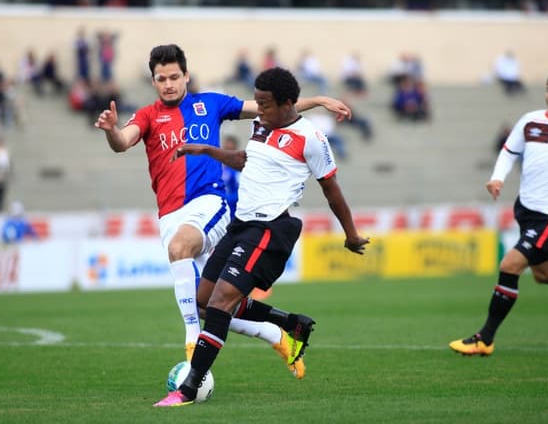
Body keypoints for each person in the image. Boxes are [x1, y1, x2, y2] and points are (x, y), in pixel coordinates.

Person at [94, 44, 352, 377]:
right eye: (161, 79)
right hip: (170, 215)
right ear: (154, 82)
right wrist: (112, 130)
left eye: (174, 76)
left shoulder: (210, 103)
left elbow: (267, 107)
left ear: (186, 75)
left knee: (180, 251)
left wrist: (318, 101)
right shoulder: (146, 116)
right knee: (209, 304)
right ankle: (278, 331)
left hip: (209, 203)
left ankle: (191, 341)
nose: (169, 83)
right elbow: (122, 142)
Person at [155, 67, 369, 407]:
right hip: (241, 225)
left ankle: (189, 388)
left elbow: (332, 190)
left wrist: (351, 235)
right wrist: (205, 150)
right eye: (257, 102)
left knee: (222, 301)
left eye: (265, 103)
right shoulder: (261, 126)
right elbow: (244, 160)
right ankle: (289, 324)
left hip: (271, 229)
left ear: (287, 103)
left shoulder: (310, 138)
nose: (259, 109)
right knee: (204, 302)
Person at [449, 67, 548, 356]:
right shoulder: (530, 121)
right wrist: (497, 178)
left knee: (509, 266)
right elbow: (509, 151)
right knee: (544, 274)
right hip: (527, 211)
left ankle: (485, 338)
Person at [220, 134, 240, 220]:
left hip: (232, 211)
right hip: (216, 207)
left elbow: (240, 193)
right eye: (226, 149)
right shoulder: (216, 166)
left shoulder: (238, 169)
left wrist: (226, 198)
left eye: (230, 150)